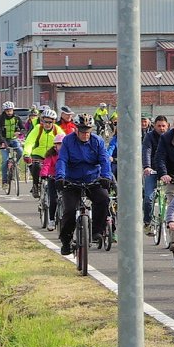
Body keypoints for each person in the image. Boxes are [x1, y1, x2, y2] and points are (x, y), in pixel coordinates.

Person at [54, 114, 114, 257]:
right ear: (76, 130)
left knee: (104, 199)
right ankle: (66, 240)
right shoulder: (68, 141)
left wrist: (106, 176)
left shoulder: (97, 141)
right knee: (69, 210)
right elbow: (62, 160)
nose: (85, 135)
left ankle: (96, 232)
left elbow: (104, 160)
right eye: (82, 131)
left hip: (92, 179)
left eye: (88, 131)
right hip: (72, 180)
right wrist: (60, 177)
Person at [21, 108, 60, 202]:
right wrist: (26, 154)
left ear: (53, 122)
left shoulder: (57, 130)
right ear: (42, 121)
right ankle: (35, 185)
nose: (47, 124)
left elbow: (64, 142)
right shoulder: (38, 128)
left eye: (50, 122)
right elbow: (29, 142)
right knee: (36, 166)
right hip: (37, 154)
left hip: (51, 155)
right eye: (45, 121)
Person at [139, 113, 170, 229]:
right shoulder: (149, 136)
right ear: (154, 126)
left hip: (167, 170)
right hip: (152, 170)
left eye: (163, 126)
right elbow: (146, 151)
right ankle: (147, 222)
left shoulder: (171, 136)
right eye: (159, 126)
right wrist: (147, 166)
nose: (161, 128)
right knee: (148, 198)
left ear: (167, 126)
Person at [0, 101, 23, 186]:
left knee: (20, 151)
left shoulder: (17, 118)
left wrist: (19, 132)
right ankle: (4, 181)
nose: (9, 112)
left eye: (10, 110)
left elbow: (23, 128)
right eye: (7, 111)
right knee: (5, 161)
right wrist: (2, 142)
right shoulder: (1, 118)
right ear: (4, 111)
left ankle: (15, 164)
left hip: (14, 140)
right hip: (4, 140)